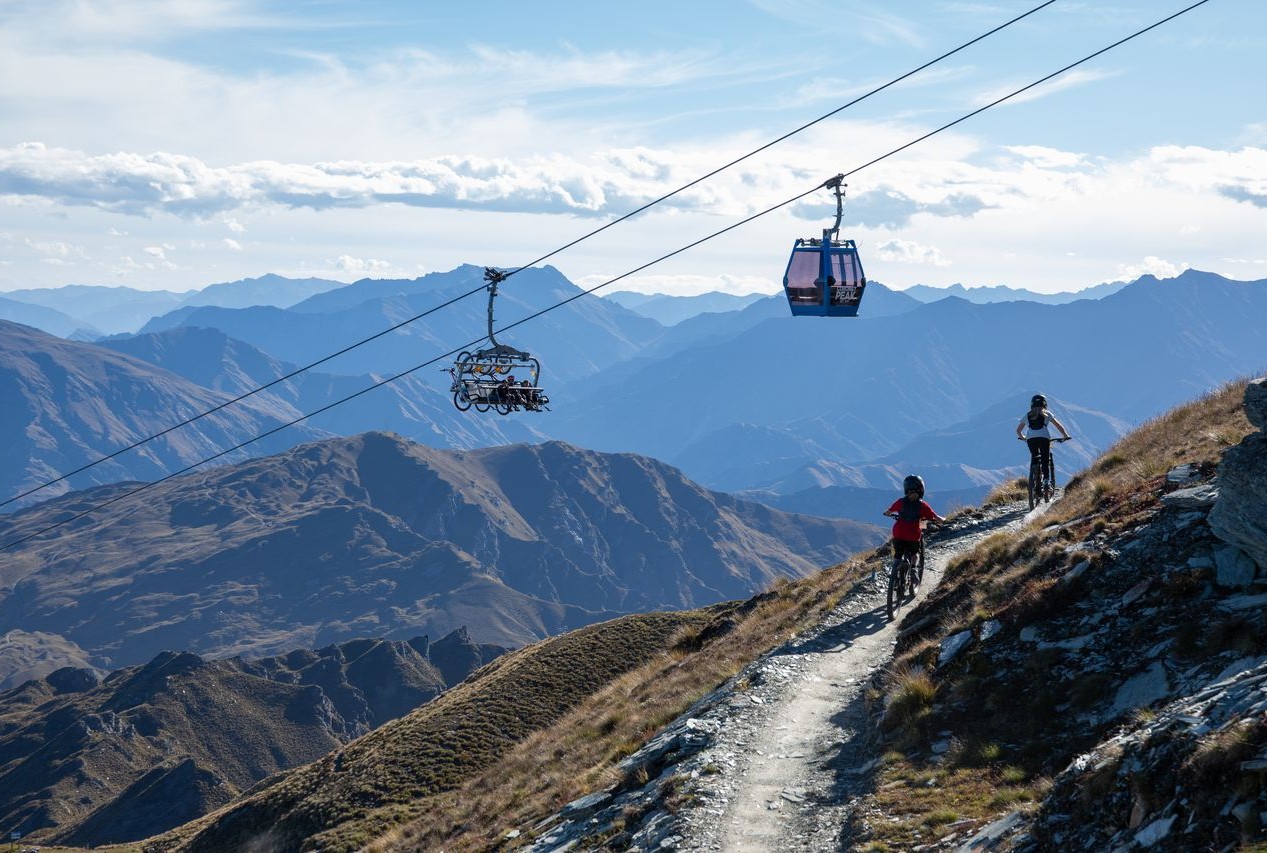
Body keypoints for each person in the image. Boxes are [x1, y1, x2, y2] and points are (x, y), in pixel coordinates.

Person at [881, 475, 946, 581]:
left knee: (898, 553)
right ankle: (914, 569)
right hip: (912, 535)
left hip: (898, 533)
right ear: (921, 489)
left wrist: (888, 514)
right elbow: (935, 517)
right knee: (915, 553)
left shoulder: (900, 502)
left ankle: (896, 569)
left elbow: (888, 512)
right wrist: (945, 520)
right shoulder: (923, 505)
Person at [1015, 393, 1072, 492]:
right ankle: (1046, 482)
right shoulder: (1047, 414)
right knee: (1045, 459)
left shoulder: (1027, 415)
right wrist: (1065, 435)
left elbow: (1018, 430)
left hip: (1031, 439)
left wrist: (1023, 437)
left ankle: (1033, 480)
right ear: (1045, 404)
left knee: (1034, 456)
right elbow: (1058, 426)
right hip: (1044, 438)